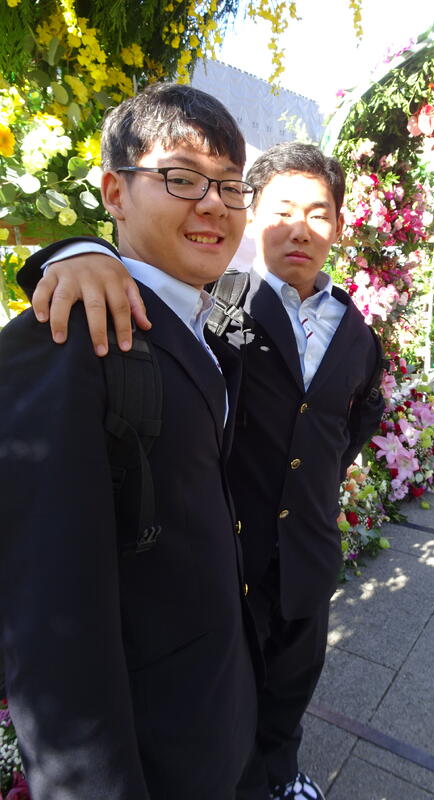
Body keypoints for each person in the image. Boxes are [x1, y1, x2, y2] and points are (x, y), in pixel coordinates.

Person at [19, 142, 385, 800]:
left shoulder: (357, 332)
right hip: (234, 555)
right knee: (236, 690)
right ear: (254, 217)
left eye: (318, 213)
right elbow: (145, 295)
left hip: (308, 549)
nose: (300, 229)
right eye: (282, 211)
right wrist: (79, 250)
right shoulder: (225, 305)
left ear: (338, 223)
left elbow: (357, 416)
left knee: (293, 679)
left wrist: (319, 485)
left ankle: (281, 773)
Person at [0, 82, 259, 800]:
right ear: (114, 192)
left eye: (230, 186)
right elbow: (51, 627)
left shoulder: (205, 318)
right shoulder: (69, 339)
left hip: (215, 716)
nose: (213, 204)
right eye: (181, 178)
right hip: (151, 751)